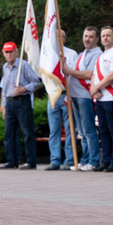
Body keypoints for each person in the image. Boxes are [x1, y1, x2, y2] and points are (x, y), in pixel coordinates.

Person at [62, 26, 103, 171]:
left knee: (89, 129)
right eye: (85, 36)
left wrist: (69, 71)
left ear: (97, 39)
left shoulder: (98, 54)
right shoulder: (81, 54)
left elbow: (89, 74)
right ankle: (85, 159)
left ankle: (93, 161)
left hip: (85, 95)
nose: (87, 39)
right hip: (75, 95)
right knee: (82, 131)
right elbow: (70, 73)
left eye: (91, 37)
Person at [0, 41, 40, 170]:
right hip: (10, 102)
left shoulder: (24, 66)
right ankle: (11, 161)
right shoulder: (5, 67)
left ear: (16, 52)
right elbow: (4, 88)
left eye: (11, 51)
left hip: (22, 101)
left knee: (27, 132)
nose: (9, 54)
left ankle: (31, 161)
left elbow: (36, 82)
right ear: (3, 53)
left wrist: (23, 89)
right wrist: (3, 105)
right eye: (6, 52)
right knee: (9, 133)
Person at [90, 26, 113, 172]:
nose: (105, 38)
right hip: (100, 99)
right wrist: (93, 89)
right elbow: (93, 76)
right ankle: (106, 160)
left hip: (111, 97)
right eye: (103, 35)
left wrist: (96, 88)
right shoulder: (101, 56)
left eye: (108, 35)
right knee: (103, 131)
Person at [45, 30, 78, 170]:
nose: (57, 39)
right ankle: (55, 160)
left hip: (67, 94)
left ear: (64, 39)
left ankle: (70, 160)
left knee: (71, 129)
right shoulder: (47, 55)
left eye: (59, 37)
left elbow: (75, 73)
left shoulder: (71, 54)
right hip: (53, 95)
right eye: (54, 37)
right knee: (54, 130)